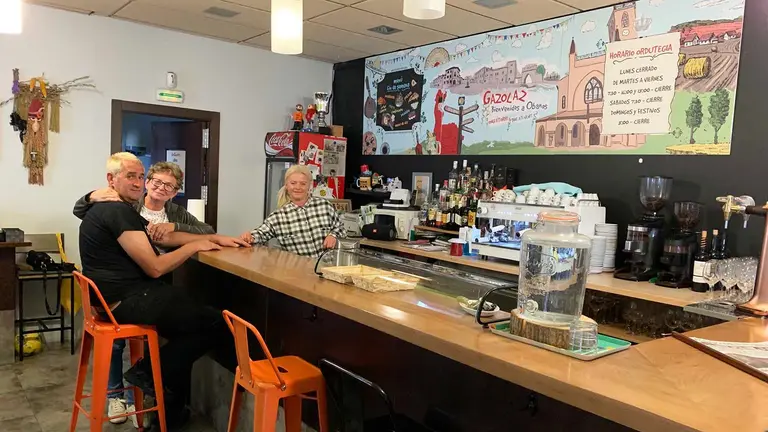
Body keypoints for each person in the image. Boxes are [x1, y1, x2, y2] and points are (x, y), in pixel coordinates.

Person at [78, 152, 249, 429]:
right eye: (131, 176)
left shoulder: (113, 210)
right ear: (111, 180)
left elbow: (167, 236)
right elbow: (156, 268)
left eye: (139, 176)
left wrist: (214, 238)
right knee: (218, 322)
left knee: (185, 330)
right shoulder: (118, 211)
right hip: (127, 300)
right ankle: (147, 373)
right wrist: (193, 247)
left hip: (118, 298)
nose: (137, 182)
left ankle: (168, 415)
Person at [240, 165, 345, 257]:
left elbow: (340, 228)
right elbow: (259, 234)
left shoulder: (324, 206)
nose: (298, 187)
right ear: (286, 185)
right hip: (298, 271)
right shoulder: (278, 217)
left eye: (303, 183)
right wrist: (249, 237)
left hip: (328, 269)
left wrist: (333, 236)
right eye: (293, 183)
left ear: (309, 185)